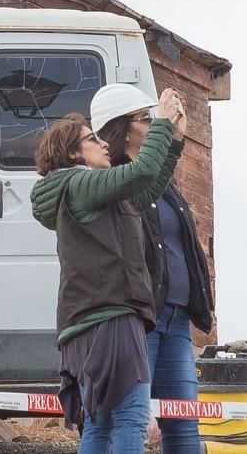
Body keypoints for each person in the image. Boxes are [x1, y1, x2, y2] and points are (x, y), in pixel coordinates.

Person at [30, 87, 184, 454]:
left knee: (99, 425)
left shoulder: (89, 192)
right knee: (131, 417)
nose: (102, 144)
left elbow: (145, 188)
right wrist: (161, 122)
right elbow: (140, 171)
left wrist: (172, 143)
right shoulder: (80, 183)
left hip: (88, 321)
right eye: (91, 139)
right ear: (71, 153)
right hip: (110, 317)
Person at [92, 83, 214, 454]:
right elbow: (142, 181)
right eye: (147, 119)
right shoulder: (114, 181)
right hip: (139, 318)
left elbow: (156, 175)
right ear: (123, 128)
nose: (153, 123)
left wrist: (173, 140)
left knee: (184, 425)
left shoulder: (159, 179)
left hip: (176, 317)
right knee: (126, 420)